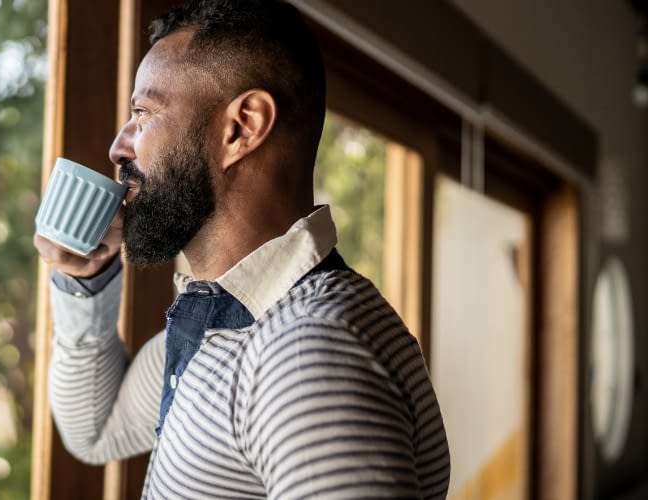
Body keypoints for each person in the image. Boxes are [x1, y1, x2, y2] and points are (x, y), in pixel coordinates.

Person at [33, 0, 451, 498]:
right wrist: (86, 276)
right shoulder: (225, 318)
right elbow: (96, 429)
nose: (118, 147)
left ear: (242, 127)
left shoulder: (307, 351)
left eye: (144, 113)